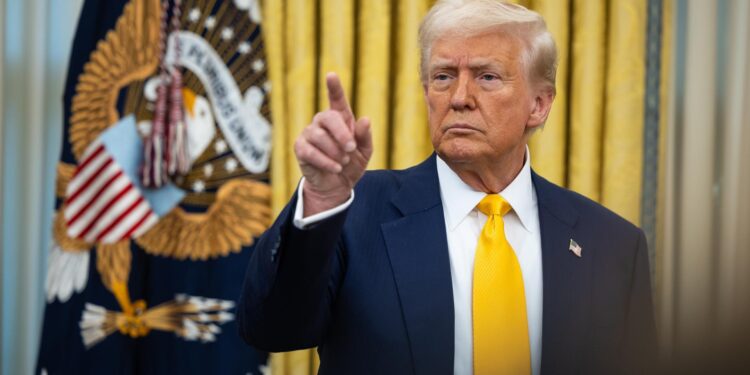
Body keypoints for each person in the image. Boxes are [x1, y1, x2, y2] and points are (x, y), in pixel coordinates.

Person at [238, 1, 657, 374]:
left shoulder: (613, 245)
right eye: (442, 76)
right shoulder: (353, 212)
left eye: (487, 77)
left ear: (539, 104)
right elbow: (272, 329)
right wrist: (322, 199)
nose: (459, 97)